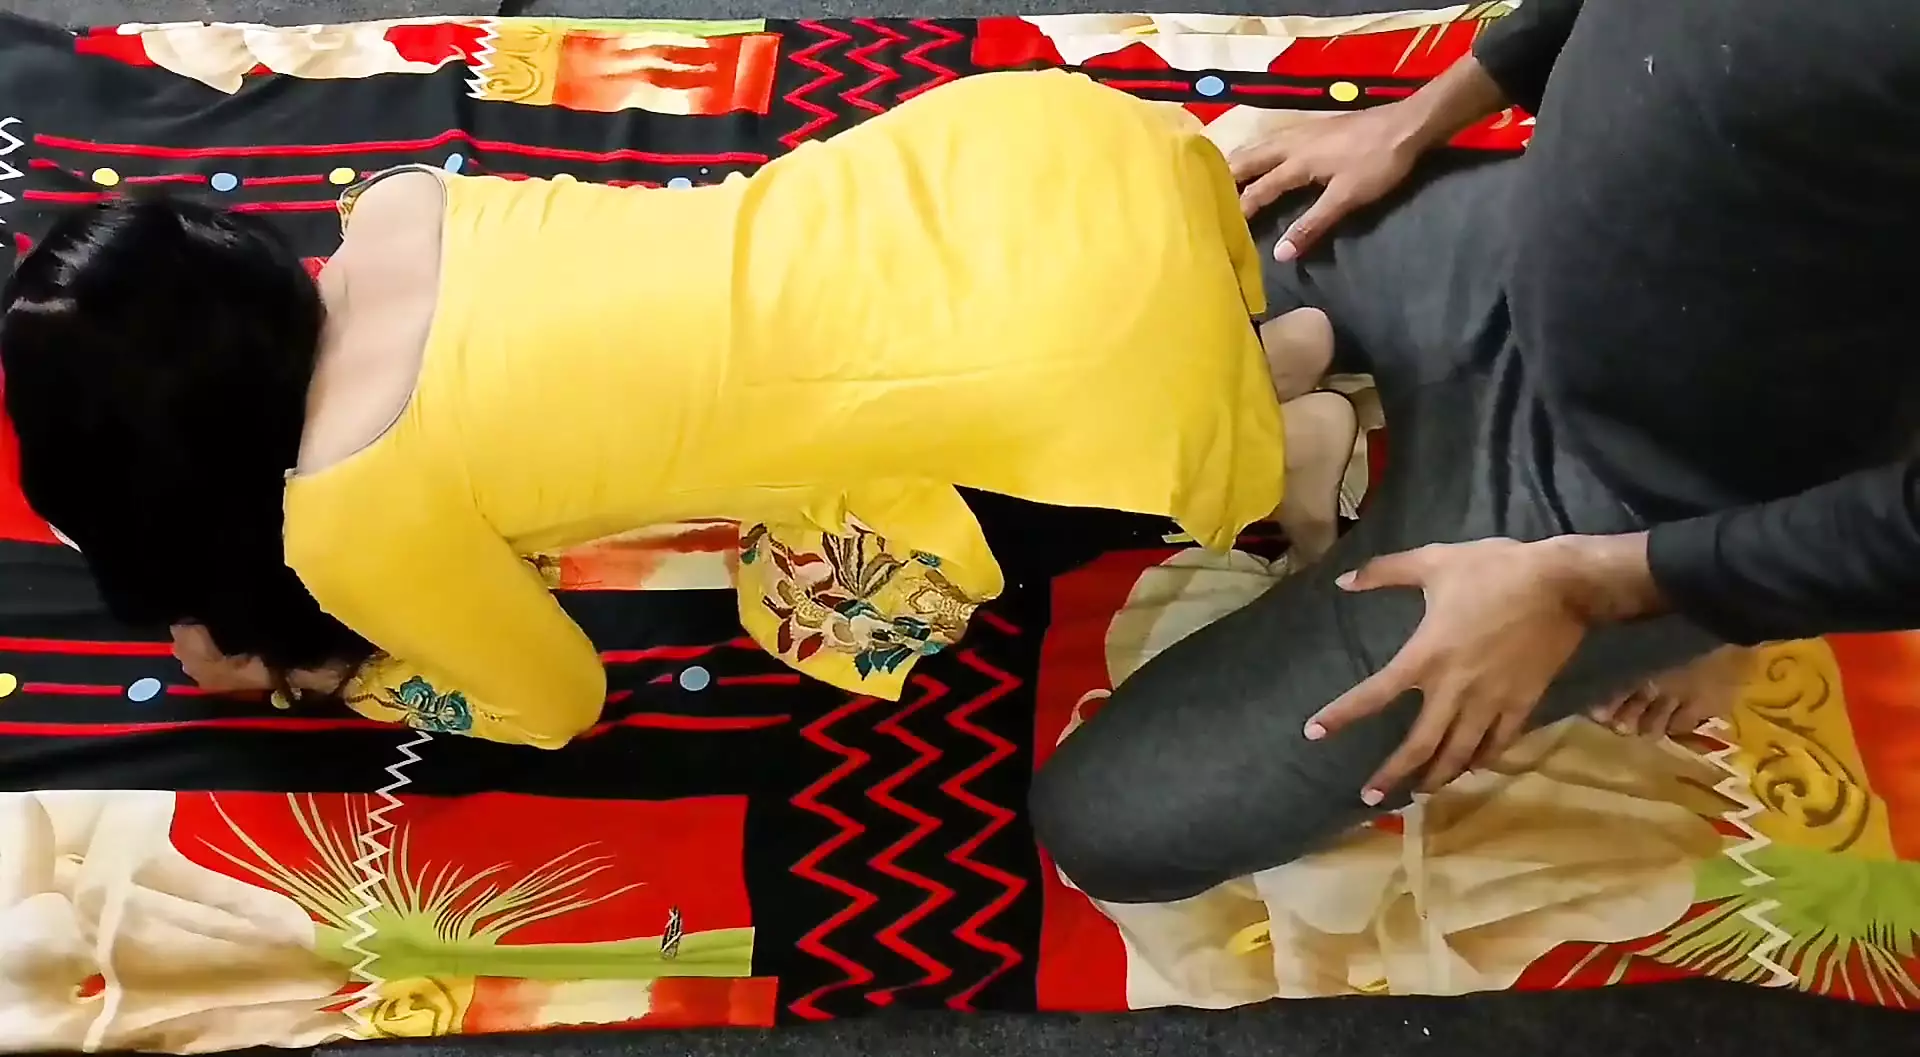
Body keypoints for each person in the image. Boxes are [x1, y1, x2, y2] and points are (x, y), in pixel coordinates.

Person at [0, 69, 1359, 748]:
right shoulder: (400, 207)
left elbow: (553, 703)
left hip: (1066, 375)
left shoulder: (347, 519)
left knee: (810, 610)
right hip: (1035, 166)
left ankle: (1280, 451)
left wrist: (341, 679)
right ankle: (1261, 357)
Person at [1031, 0, 1920, 904]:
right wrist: (1429, 111)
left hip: (1643, 492)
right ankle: (1296, 417)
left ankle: (1702, 616)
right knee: (1052, 291)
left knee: (1111, 826)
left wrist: (1655, 584)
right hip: (1513, 237)